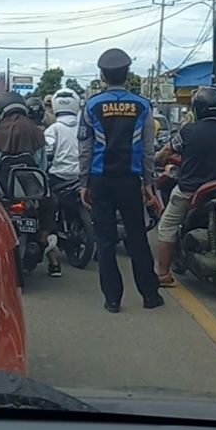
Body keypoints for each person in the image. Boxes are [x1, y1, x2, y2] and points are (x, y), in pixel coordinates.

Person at [78, 48, 163, 312]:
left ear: (103, 75)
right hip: (130, 179)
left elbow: (85, 149)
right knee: (137, 237)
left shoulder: (91, 106)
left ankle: (112, 300)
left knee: (105, 241)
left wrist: (84, 183)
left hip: (100, 180)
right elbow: (149, 150)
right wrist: (148, 183)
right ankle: (150, 296)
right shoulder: (142, 105)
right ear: (128, 74)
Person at [154, 86, 216, 287]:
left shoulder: (188, 130)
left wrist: (157, 159)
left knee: (167, 225)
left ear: (197, 108)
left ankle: (162, 273)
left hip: (191, 190)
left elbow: (166, 151)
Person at [0, 91, 62, 277]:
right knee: (52, 204)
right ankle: (44, 240)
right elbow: (42, 166)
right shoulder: (37, 132)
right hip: (33, 193)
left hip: (5, 193)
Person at [45, 88, 81, 190]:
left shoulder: (52, 130)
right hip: (82, 178)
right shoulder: (84, 128)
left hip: (58, 179)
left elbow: (47, 155)